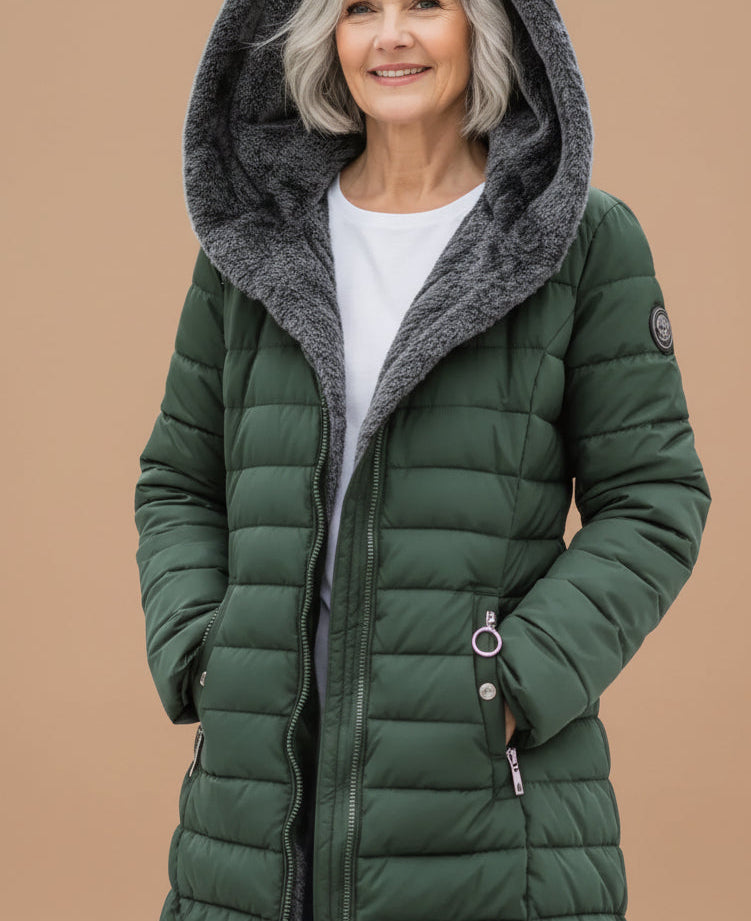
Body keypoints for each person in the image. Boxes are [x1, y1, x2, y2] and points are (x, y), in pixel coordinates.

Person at [133, 1, 712, 920]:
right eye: (360, 8)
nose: (390, 35)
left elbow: (655, 497)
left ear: (486, 27)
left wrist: (510, 682)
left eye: (425, 6)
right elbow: (178, 480)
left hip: (481, 815)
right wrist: (207, 652)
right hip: (254, 814)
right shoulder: (256, 242)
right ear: (324, 35)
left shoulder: (575, 240)